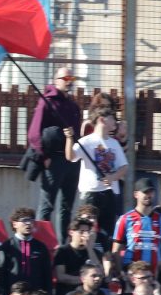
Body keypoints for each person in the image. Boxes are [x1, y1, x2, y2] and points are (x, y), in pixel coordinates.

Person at [30, 65, 82, 238]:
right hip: (53, 161)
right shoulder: (46, 102)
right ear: (56, 80)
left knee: (66, 207)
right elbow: (34, 133)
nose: (69, 83)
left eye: (71, 79)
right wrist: (43, 157)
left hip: (72, 162)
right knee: (47, 206)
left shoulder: (74, 107)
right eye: (65, 79)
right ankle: (42, 241)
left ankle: (63, 244)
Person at [66, 108, 128, 229]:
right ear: (101, 119)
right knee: (86, 227)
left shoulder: (114, 143)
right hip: (90, 193)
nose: (115, 121)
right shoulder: (86, 141)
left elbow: (124, 166)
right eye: (112, 117)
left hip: (110, 193)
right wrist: (69, 138)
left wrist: (112, 177)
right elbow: (71, 156)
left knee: (108, 231)